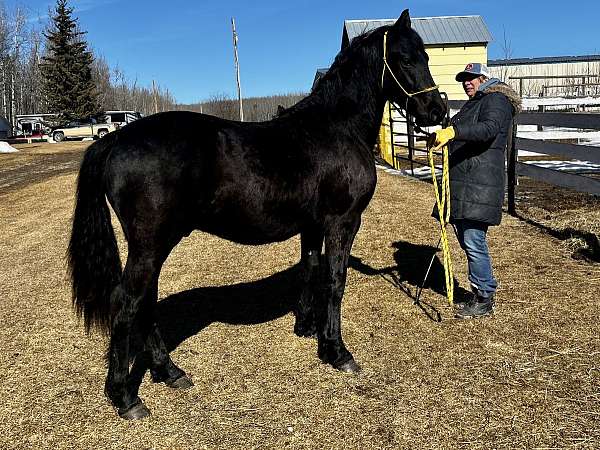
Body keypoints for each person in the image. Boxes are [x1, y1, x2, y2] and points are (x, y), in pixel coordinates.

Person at [429, 63, 521, 319]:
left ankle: (484, 296)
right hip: (465, 183)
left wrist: (454, 131)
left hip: (478, 184)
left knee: (473, 240)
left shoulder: (497, 100)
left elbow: (488, 130)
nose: (467, 83)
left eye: (471, 78)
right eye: (464, 80)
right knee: (467, 238)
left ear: (484, 78)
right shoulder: (476, 102)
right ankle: (483, 289)